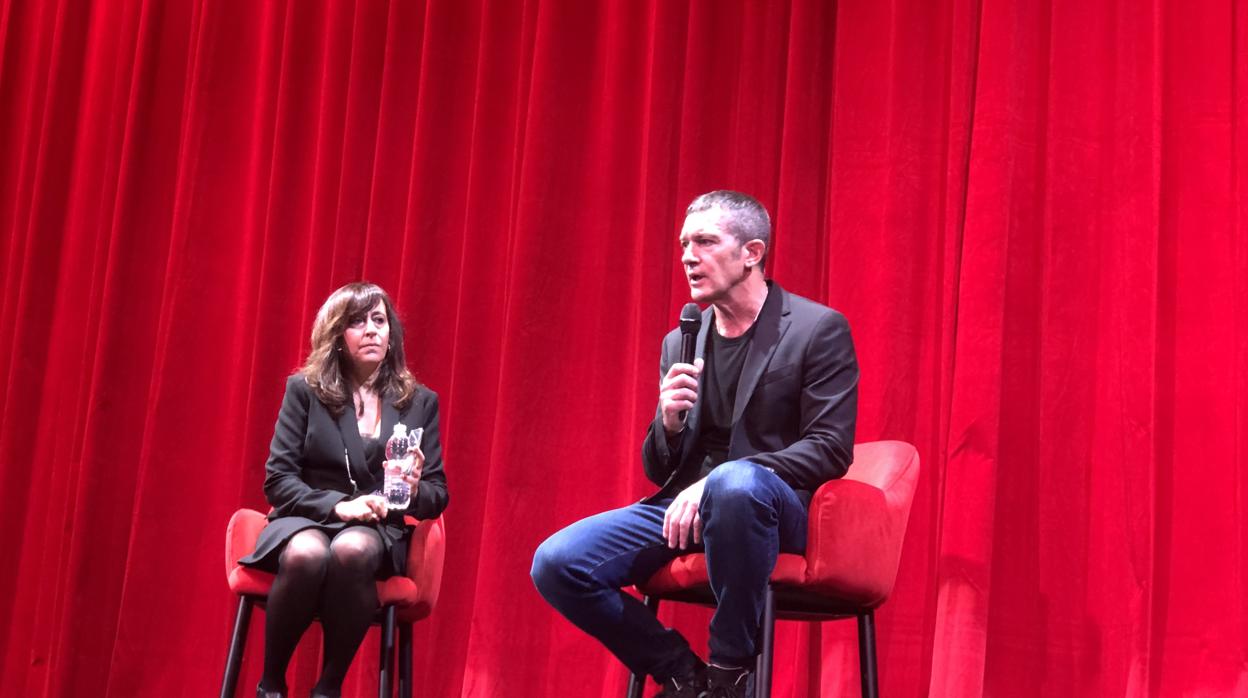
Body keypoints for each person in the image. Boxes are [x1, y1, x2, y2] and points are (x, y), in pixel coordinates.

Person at [531, 191, 858, 697]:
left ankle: (730, 672)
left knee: (734, 482)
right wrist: (669, 423)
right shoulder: (680, 339)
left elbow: (830, 447)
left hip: (772, 510)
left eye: (705, 241)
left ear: (752, 252)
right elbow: (659, 470)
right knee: (557, 563)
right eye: (685, 243)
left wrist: (713, 483)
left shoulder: (817, 330)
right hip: (688, 508)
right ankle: (683, 673)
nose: (688, 255)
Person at [239, 282, 449, 698]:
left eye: (379, 321)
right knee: (307, 553)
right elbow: (278, 480)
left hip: (376, 529)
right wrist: (340, 507)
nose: (371, 330)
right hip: (307, 516)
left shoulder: (419, 401)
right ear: (337, 336)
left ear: (391, 336)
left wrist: (411, 489)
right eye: (357, 322)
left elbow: (437, 493)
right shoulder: (304, 391)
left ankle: (328, 688)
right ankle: (272, 684)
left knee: (352, 550)